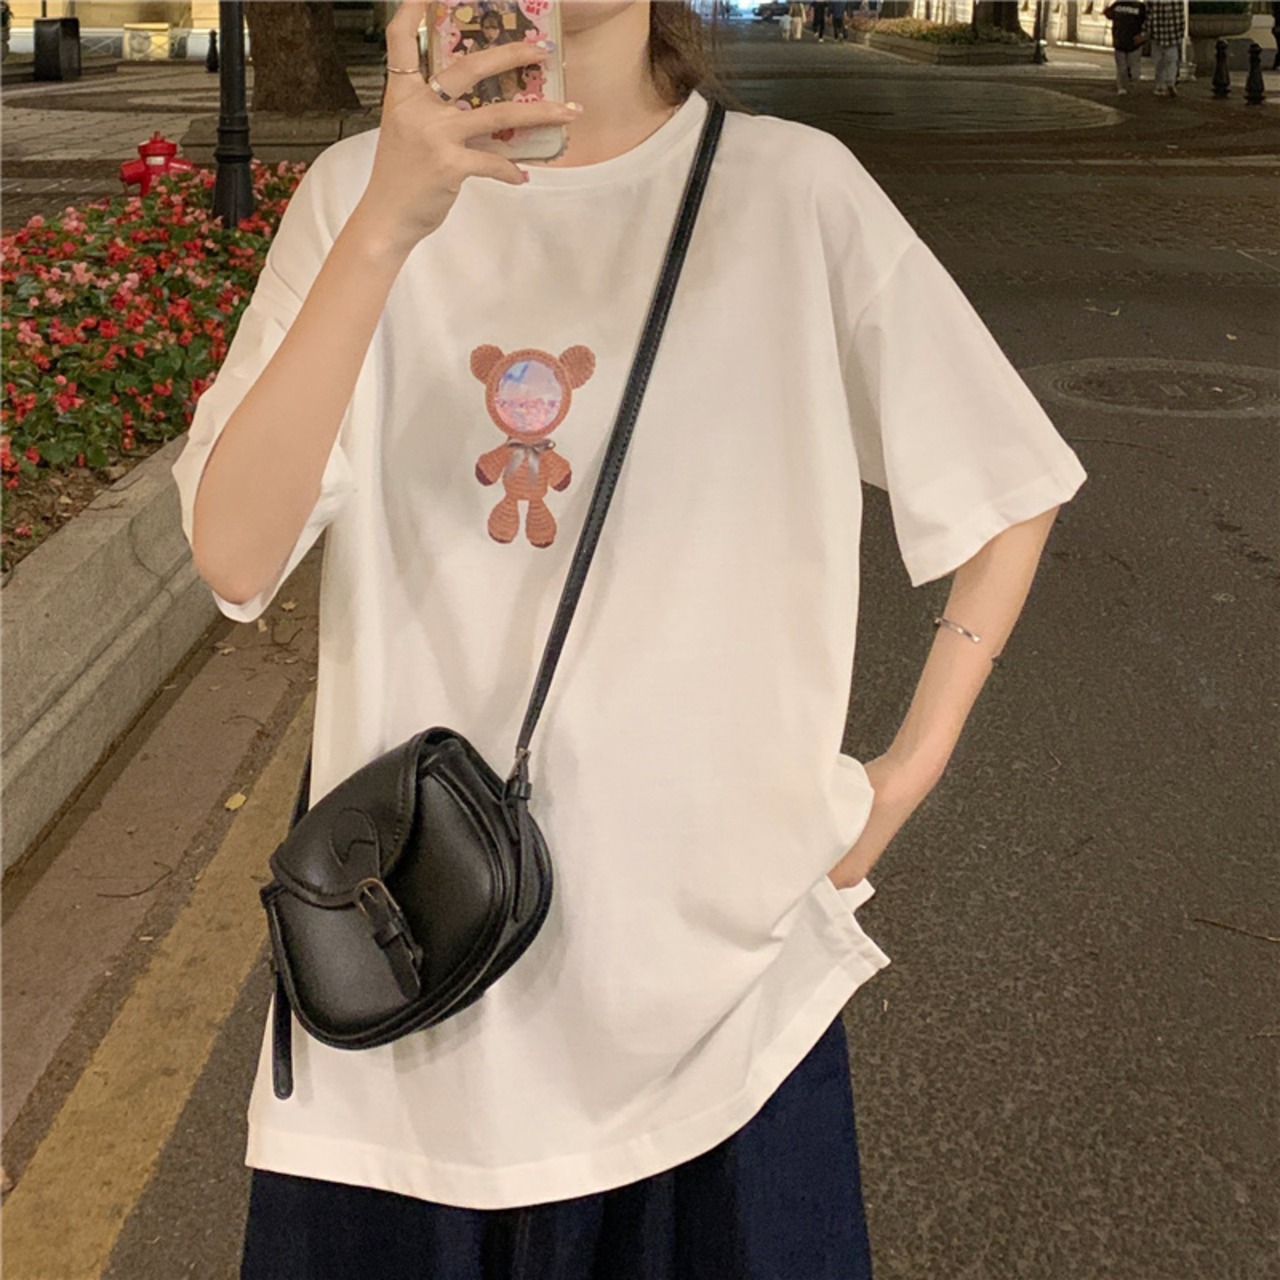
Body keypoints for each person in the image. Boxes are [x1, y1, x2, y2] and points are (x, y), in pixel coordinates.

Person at [172, 1, 1088, 1275]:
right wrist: (386, 223)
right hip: (411, 1023)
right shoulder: (353, 198)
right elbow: (234, 556)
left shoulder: (789, 193)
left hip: (718, 1026)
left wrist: (901, 777)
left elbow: (1006, 484)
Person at [1103, 0, 1146, 94]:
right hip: (1130, 41)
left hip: (1124, 41)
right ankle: (1130, 86)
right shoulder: (1139, 6)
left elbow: (1107, 13)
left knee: (1124, 67)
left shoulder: (1118, 5)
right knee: (1132, 66)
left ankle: (1124, 87)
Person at [1145, 0, 1184, 96]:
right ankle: (1171, 82)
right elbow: (1181, 18)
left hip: (1157, 35)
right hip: (1173, 35)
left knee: (1159, 62)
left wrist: (1147, 32)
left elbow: (1148, 18)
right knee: (1172, 61)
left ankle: (1160, 86)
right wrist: (1180, 33)